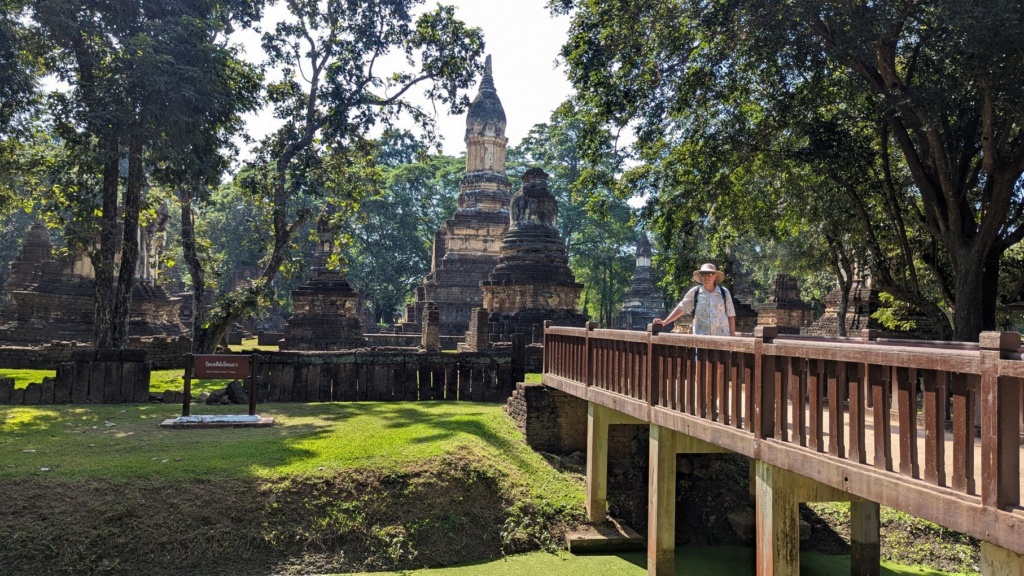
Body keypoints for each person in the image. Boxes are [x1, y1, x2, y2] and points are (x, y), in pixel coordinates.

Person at [653, 263, 736, 336]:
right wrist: (665, 322)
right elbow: (681, 308)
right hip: (700, 338)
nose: (706, 277)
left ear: (715, 276)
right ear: (701, 276)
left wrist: (732, 336)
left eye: (710, 274)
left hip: (721, 338)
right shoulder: (695, 292)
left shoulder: (724, 292)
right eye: (703, 274)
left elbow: (731, 314)